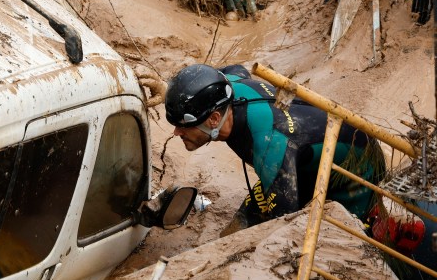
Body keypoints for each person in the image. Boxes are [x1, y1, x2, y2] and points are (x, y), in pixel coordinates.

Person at [164, 63, 387, 236]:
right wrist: (172, 97)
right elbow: (231, 70)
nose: (176, 133)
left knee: (343, 238)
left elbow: (284, 223)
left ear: (213, 119)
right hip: (303, 156)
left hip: (357, 172)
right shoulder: (229, 84)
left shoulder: (268, 145)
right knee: (236, 230)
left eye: (183, 126)